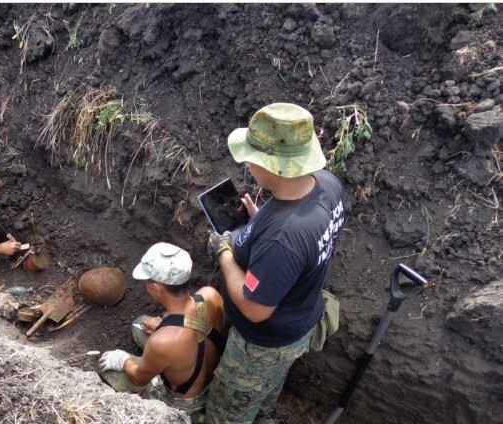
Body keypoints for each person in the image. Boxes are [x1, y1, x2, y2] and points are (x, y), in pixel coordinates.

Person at [205, 103, 346, 423]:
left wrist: (225, 251)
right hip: (299, 322)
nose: (246, 163)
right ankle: (262, 414)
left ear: (273, 167)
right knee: (265, 388)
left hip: (262, 344)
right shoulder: (327, 184)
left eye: (251, 158)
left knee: (230, 408)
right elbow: (301, 247)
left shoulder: (283, 239)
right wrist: (258, 221)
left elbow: (255, 308)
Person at [99, 242, 226, 423]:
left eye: (147, 282)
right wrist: (163, 328)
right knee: (140, 324)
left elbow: (139, 378)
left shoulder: (161, 342)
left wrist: (123, 361)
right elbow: (196, 332)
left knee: (109, 368)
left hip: (185, 404)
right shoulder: (211, 294)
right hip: (211, 380)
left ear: (158, 288)